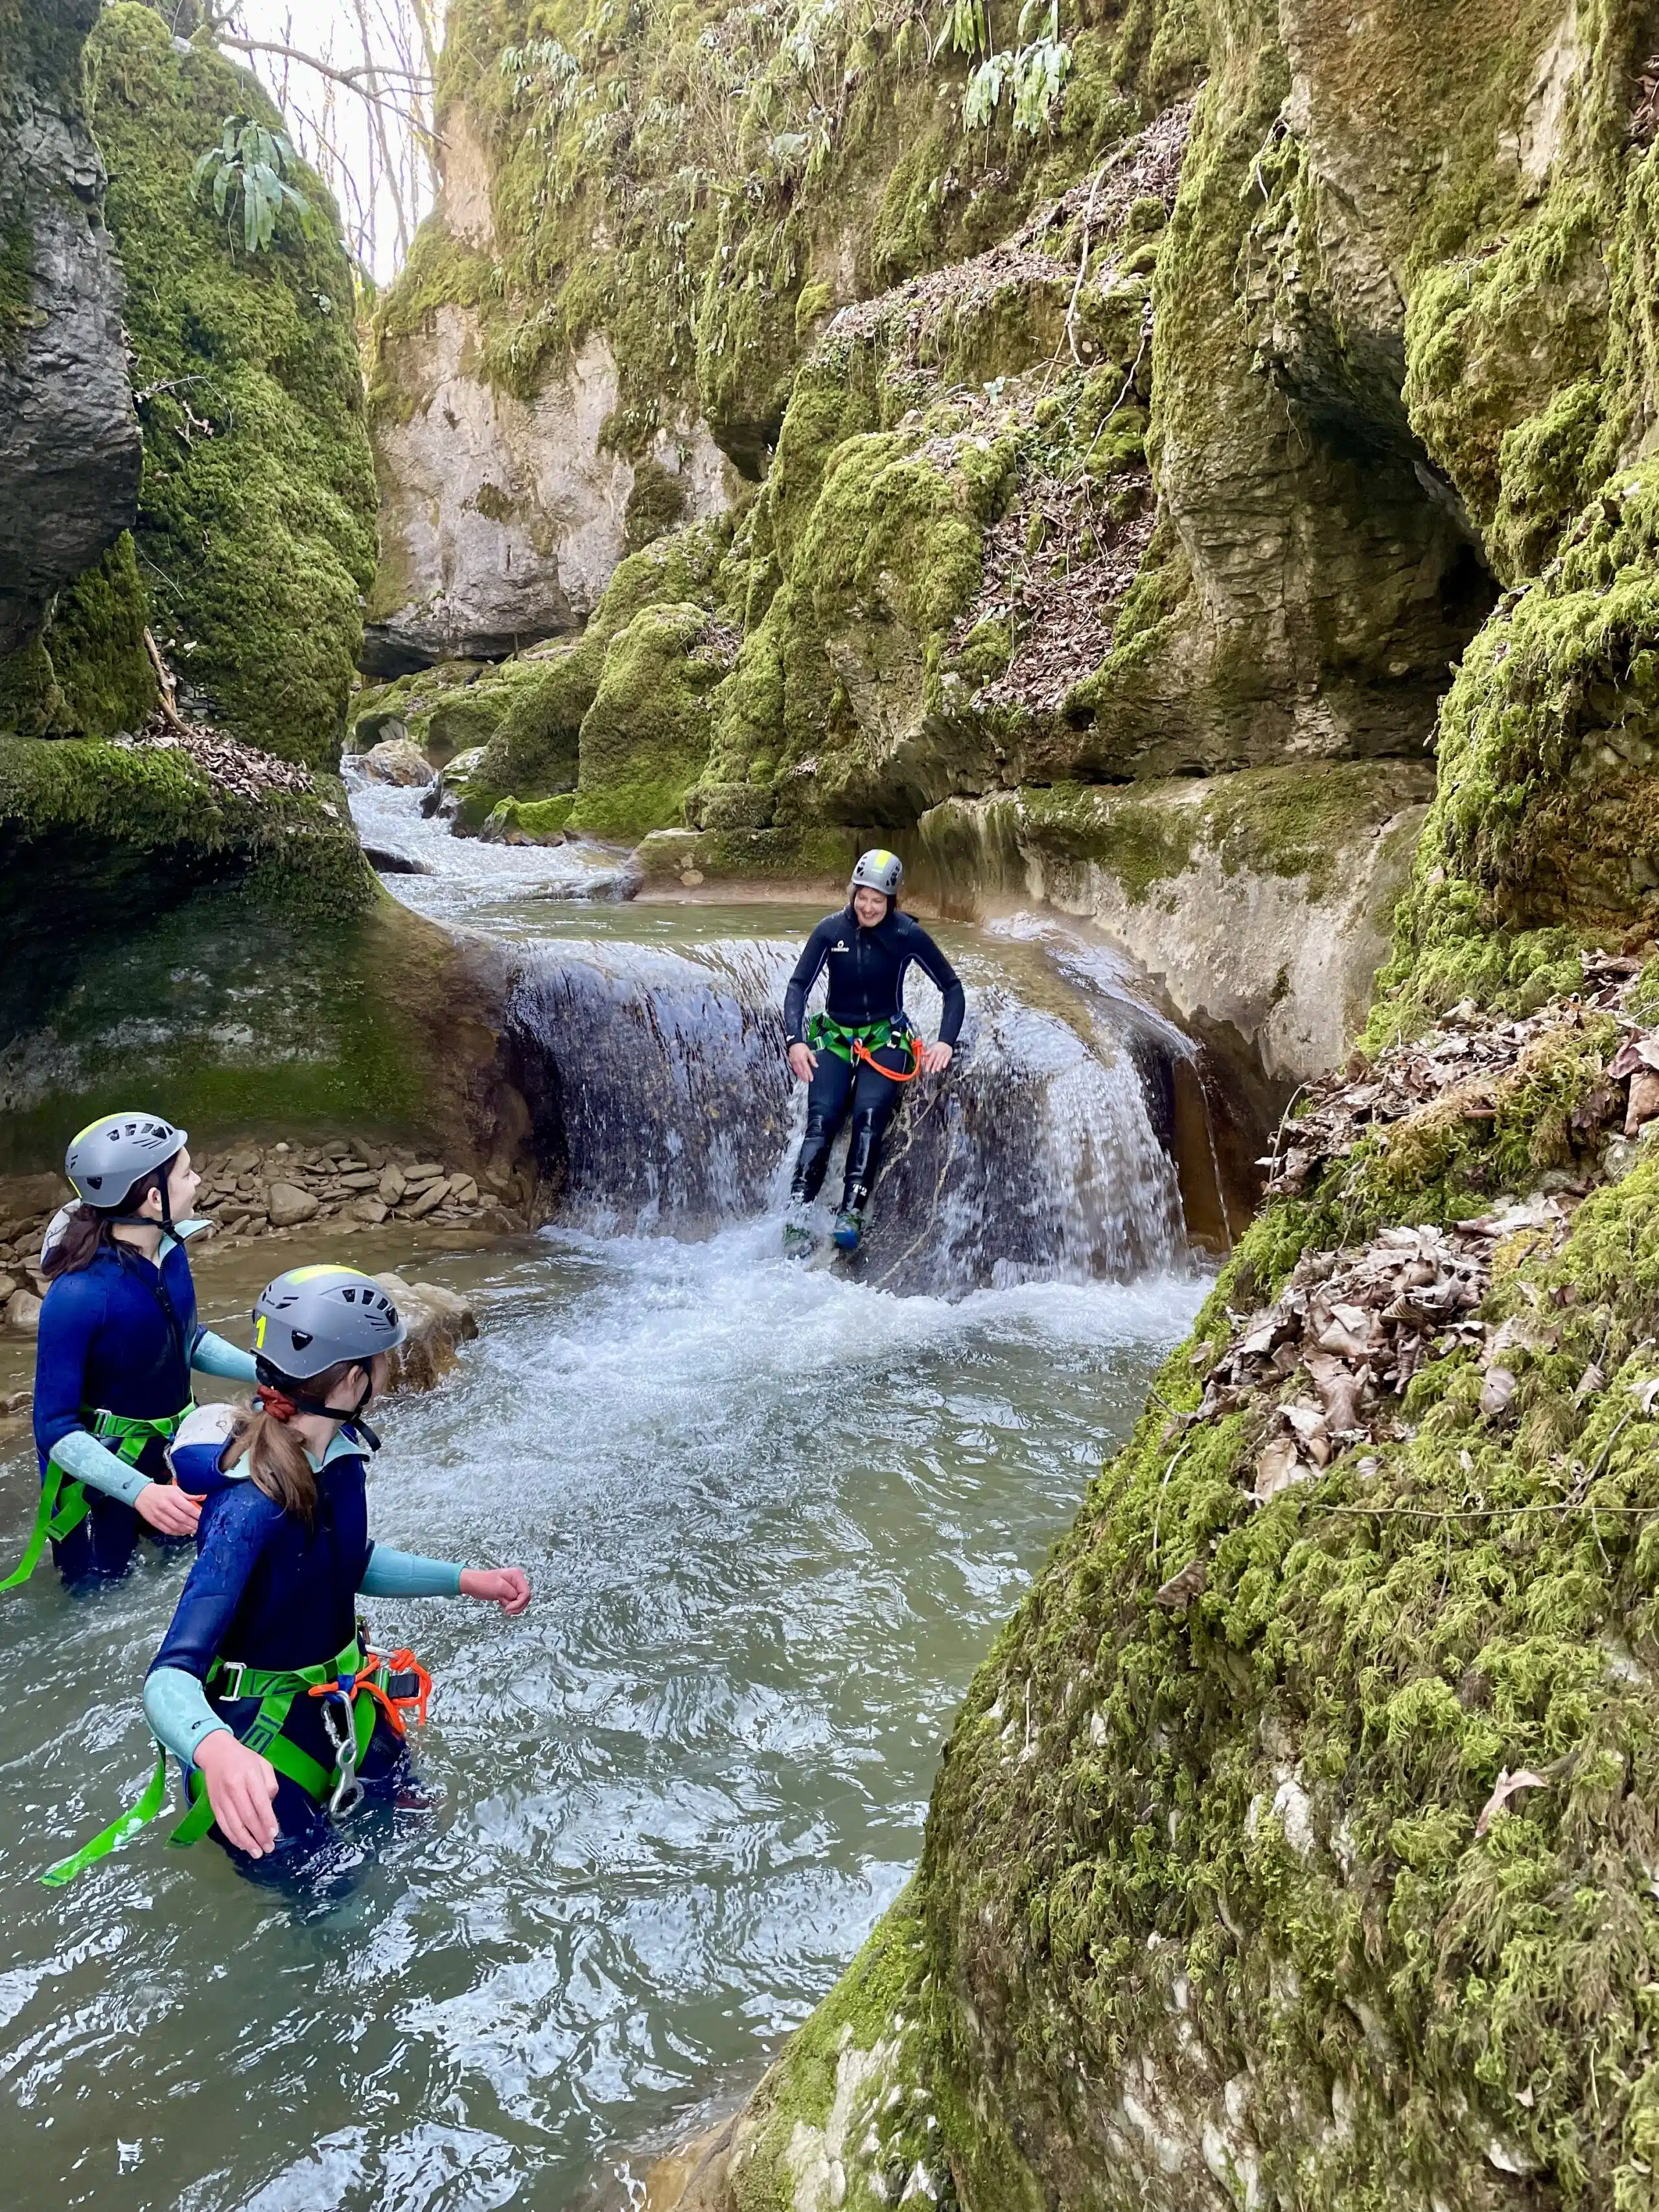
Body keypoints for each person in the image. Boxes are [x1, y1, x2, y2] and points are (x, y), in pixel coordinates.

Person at [125, 1264, 530, 1870]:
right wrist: (214, 1751)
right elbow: (168, 1678)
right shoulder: (250, 1507)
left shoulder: (340, 1462)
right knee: (335, 1913)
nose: (389, 1369)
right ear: (348, 1381)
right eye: (381, 1359)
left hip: (345, 1706)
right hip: (257, 1754)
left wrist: (465, 1580)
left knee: (425, 1845)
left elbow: (345, 1562)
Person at [11, 1112, 258, 1592]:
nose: (198, 1180)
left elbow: (186, 1340)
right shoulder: (78, 1296)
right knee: (100, 1596)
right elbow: (54, 1429)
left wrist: (271, 1371)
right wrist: (138, 1491)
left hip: (165, 1454)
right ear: (151, 1199)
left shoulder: (170, 1249)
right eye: (186, 1173)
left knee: (181, 1575)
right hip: (96, 1482)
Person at [782, 850, 966, 1254]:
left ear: (892, 900)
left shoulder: (906, 934)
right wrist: (796, 1041)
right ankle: (797, 1213)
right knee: (822, 1119)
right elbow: (798, 987)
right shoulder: (830, 931)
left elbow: (952, 988)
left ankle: (850, 1212)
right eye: (862, 897)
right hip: (834, 1038)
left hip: (885, 1039)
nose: (867, 907)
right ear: (853, 893)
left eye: (877, 900)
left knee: (869, 1117)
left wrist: (945, 1041)